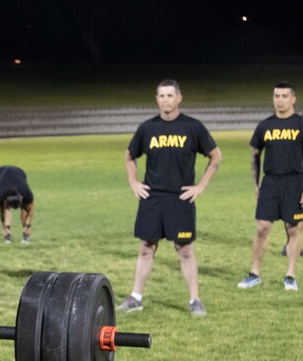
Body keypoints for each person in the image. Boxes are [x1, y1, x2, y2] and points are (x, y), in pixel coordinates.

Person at [119, 79, 222, 316]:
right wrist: (133, 181)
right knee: (146, 247)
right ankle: (136, 298)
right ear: (157, 99)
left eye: (169, 95)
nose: (165, 99)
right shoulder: (147, 128)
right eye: (161, 96)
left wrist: (201, 186)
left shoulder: (193, 127)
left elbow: (216, 157)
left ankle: (195, 301)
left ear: (179, 98)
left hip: (180, 199)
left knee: (185, 250)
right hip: (152, 198)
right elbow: (129, 156)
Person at [238, 81, 303, 291]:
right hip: (271, 182)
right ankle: (255, 273)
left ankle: (290, 276)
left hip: (295, 182)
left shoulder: (300, 124)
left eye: (285, 96)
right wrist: (256, 185)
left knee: (293, 229)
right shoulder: (265, 126)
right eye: (277, 96)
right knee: (262, 227)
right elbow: (255, 156)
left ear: (293, 99)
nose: (280, 100)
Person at [0, 165, 35, 244]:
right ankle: (8, 233)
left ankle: (25, 234)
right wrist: (4, 227)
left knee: (24, 207)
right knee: (6, 207)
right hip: (1, 173)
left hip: (19, 172)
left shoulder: (27, 194)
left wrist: (28, 225)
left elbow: (31, 208)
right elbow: (1, 212)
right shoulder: (0, 195)